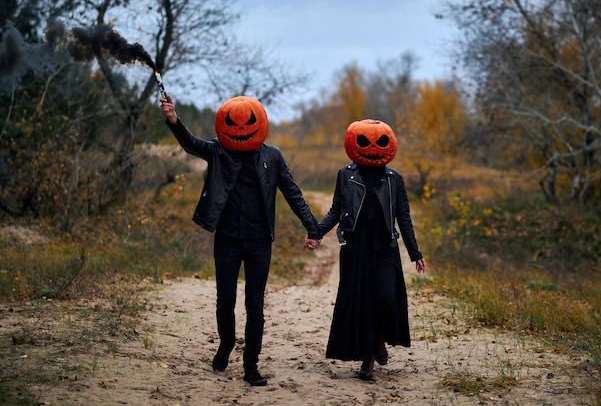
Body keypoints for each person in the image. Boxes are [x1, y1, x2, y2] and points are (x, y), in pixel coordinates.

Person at [160, 94, 321, 386]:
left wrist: (312, 228)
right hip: (228, 239)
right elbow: (191, 143)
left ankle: (251, 365)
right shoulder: (219, 150)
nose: (241, 129)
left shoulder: (272, 156)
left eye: (247, 123)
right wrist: (174, 120)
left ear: (259, 123)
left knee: (255, 305)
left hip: (260, 241)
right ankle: (226, 344)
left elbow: (292, 192)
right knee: (225, 302)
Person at [314, 118, 426, 381]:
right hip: (356, 247)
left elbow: (404, 217)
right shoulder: (346, 175)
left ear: (389, 145)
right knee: (363, 302)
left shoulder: (394, 179)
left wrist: (415, 253)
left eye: (380, 141)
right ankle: (369, 358)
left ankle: (377, 342)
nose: (373, 146)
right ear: (354, 144)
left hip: (385, 246)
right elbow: (336, 210)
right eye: (364, 141)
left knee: (385, 297)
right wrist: (316, 232)